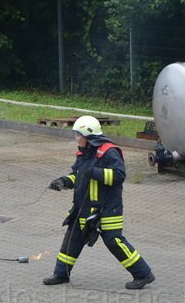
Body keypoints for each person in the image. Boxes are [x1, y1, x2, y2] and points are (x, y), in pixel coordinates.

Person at [44, 115, 155, 289]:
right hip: (84, 207)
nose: (76, 139)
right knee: (73, 237)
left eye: (78, 135)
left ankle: (143, 274)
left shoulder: (109, 151)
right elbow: (78, 175)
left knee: (113, 240)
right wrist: (63, 181)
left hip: (108, 208)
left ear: (89, 136)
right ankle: (61, 274)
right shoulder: (84, 152)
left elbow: (119, 176)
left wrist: (94, 172)